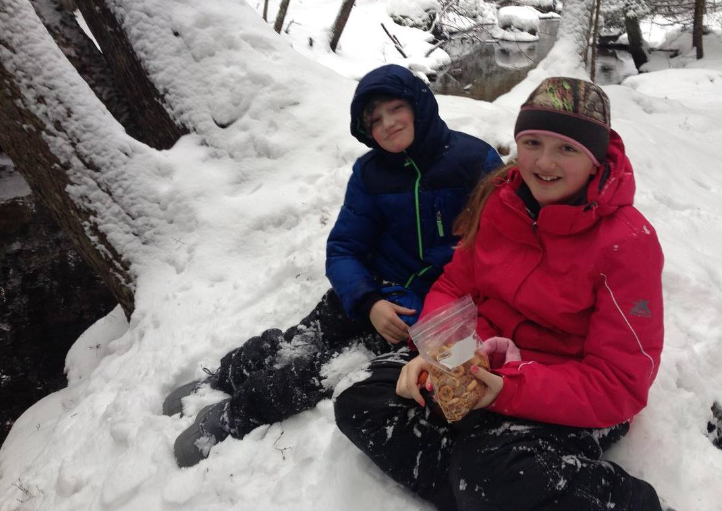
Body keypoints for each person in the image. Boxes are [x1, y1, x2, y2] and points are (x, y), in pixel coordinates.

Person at [334, 77, 666, 511]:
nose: (544, 163)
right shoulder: (501, 201)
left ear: (595, 158)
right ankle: (481, 487)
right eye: (531, 142)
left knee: (490, 474)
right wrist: (438, 351)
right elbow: (455, 285)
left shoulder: (628, 242)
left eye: (567, 148)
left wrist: (507, 391)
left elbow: (620, 383)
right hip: (482, 359)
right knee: (363, 400)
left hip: (566, 386)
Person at [164, 64, 503, 467]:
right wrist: (368, 299)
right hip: (369, 290)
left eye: (396, 109)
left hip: (420, 317)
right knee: (296, 341)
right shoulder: (370, 173)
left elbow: (503, 250)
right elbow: (344, 247)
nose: (388, 124)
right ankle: (222, 378)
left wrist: (444, 322)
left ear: (419, 105)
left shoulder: (474, 160)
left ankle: (235, 415)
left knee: (317, 371)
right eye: (374, 120)